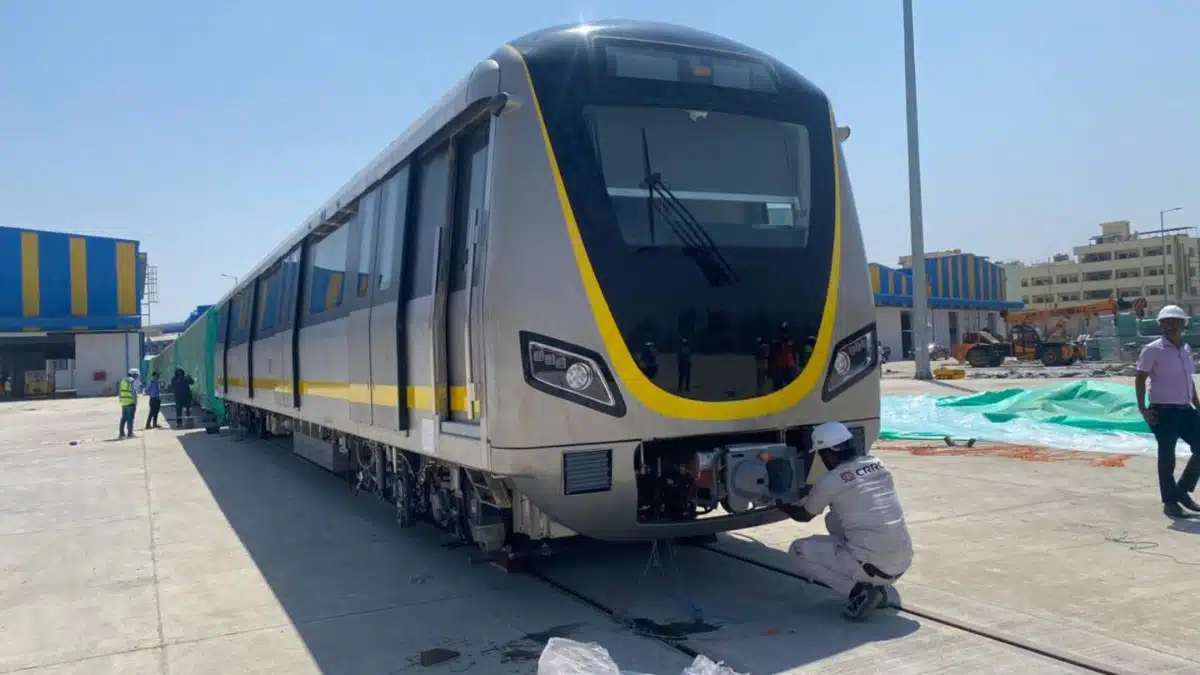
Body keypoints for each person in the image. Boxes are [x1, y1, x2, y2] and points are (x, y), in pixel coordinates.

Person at [776, 421, 913, 622]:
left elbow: (804, 515)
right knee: (834, 517)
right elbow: (850, 485)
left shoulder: (830, 481)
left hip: (873, 564)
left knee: (798, 550)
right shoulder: (877, 464)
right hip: (902, 560)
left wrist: (779, 502)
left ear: (829, 453)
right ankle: (875, 584)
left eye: (822, 454)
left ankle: (860, 592)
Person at [1134, 304, 1200, 517]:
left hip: (1185, 410)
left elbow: (1188, 380)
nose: (1170, 326)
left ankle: (1181, 491)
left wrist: (1197, 404)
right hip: (1163, 412)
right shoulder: (1153, 349)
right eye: (1165, 322)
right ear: (1160, 325)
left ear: (1183, 325)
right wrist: (1143, 408)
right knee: (1167, 457)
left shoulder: (1186, 349)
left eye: (1174, 322)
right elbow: (1140, 378)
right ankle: (1170, 502)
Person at [118, 368, 139, 439]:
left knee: (123, 418)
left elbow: (120, 391)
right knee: (130, 419)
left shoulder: (123, 380)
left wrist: (120, 399)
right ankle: (130, 433)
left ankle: (121, 434)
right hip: (130, 402)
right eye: (136, 375)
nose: (137, 376)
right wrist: (135, 402)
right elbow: (134, 392)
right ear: (133, 374)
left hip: (123, 402)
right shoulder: (132, 381)